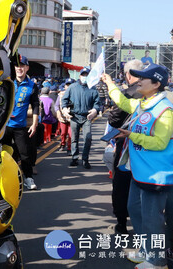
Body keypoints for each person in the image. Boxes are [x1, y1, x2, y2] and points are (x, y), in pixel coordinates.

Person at [101, 63, 173, 269]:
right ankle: (147, 250)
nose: (138, 81)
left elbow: (160, 142)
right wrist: (110, 84)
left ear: (157, 83)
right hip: (139, 172)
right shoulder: (143, 103)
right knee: (135, 210)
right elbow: (123, 102)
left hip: (155, 174)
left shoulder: (165, 110)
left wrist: (132, 135)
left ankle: (157, 260)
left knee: (153, 219)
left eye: (143, 78)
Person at [105, 59, 143, 236]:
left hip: (127, 146)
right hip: (147, 152)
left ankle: (121, 224)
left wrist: (110, 84)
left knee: (121, 186)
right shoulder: (157, 96)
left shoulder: (129, 94)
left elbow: (114, 118)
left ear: (128, 75)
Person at [2, 55, 39, 190]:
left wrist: (34, 124)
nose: (19, 68)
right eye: (17, 66)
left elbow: (35, 105)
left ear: (27, 68)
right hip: (4, 126)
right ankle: (2, 179)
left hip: (20, 127)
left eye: (22, 66)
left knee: (24, 154)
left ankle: (28, 178)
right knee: (3, 153)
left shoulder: (32, 86)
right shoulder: (6, 82)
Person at [61, 67, 101, 169]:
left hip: (87, 117)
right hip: (74, 116)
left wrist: (95, 110)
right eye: (83, 75)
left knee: (88, 138)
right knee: (74, 138)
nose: (85, 77)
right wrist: (64, 109)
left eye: (86, 75)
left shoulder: (93, 88)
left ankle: (85, 159)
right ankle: (74, 158)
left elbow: (97, 103)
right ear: (79, 76)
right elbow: (64, 100)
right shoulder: (72, 87)